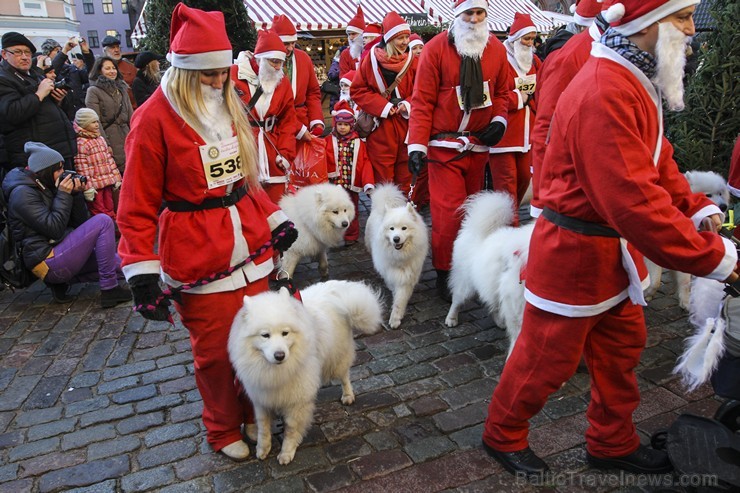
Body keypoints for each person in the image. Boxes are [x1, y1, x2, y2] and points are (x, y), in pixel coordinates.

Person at [482, 0, 739, 477]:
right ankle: (502, 434)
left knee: (621, 352)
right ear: (646, 24)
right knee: (545, 362)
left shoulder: (630, 75)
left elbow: (656, 158)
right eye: (682, 17)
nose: (691, 29)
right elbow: (634, 204)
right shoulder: (606, 89)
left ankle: (610, 441)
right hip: (575, 257)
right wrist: (718, 259)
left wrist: (695, 206)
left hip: (611, 254)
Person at [116, 3, 295, 461]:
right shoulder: (153, 119)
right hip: (197, 252)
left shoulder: (228, 103)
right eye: (209, 76)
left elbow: (243, 180)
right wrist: (139, 270)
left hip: (250, 245)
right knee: (215, 354)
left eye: (222, 73)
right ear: (183, 72)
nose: (220, 83)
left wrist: (274, 220)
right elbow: (135, 204)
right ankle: (220, 427)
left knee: (258, 339)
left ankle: (255, 410)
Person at [406, 0, 510, 300]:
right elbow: (422, 100)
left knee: (474, 214)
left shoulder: (497, 49)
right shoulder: (436, 49)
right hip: (444, 148)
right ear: (457, 15)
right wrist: (417, 145)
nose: (475, 19)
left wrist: (500, 121)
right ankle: (446, 272)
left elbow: (502, 92)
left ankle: (470, 267)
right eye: (469, 13)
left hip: (478, 146)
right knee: (448, 214)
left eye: (480, 13)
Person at [2, 141, 131, 306]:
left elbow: (80, 223)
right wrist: (63, 194)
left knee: (123, 266)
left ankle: (64, 281)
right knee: (103, 221)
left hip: (59, 249)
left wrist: (75, 195)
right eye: (59, 169)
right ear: (45, 171)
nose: (63, 173)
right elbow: (54, 228)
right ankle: (109, 289)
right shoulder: (22, 194)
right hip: (46, 259)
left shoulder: (45, 185)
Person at [529, 1, 610, 217]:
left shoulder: (614, 51)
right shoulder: (569, 57)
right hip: (574, 181)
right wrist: (541, 198)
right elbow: (546, 127)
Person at [352, 11, 417, 195]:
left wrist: (408, 104)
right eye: (400, 38)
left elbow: (422, 89)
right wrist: (384, 107)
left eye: (406, 37)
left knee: (405, 173)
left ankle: (403, 216)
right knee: (383, 175)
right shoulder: (370, 60)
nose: (405, 42)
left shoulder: (413, 61)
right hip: (381, 125)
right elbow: (357, 90)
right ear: (389, 39)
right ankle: (385, 215)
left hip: (405, 123)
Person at [231, 30, 298, 204]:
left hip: (272, 148)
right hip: (244, 148)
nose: (277, 67)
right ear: (259, 58)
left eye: (281, 63)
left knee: (277, 202)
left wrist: (285, 152)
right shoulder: (233, 75)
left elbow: (288, 121)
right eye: (274, 61)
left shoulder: (282, 81)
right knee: (244, 200)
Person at [0, 32, 77, 171]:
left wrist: (57, 100)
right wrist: (39, 94)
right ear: (4, 54)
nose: (24, 57)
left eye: (27, 53)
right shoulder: (4, 79)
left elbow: (45, 108)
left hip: (58, 151)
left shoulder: (34, 74)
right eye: (18, 52)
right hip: (37, 159)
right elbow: (12, 113)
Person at [488, 13, 541, 212]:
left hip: (528, 132)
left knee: (525, 179)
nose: (529, 43)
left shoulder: (535, 61)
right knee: (506, 183)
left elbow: (542, 87)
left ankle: (511, 216)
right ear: (515, 38)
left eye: (532, 38)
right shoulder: (500, 59)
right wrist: (521, 99)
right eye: (525, 38)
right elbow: (493, 93)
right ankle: (510, 223)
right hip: (505, 134)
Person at [325, 100, 374, 244]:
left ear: (351, 125)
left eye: (346, 125)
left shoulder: (358, 142)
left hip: (350, 184)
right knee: (333, 211)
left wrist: (368, 182)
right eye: (340, 124)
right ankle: (333, 236)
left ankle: (351, 236)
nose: (342, 127)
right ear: (335, 124)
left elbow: (364, 162)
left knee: (351, 210)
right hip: (334, 184)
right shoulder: (329, 140)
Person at [270, 15, 325, 141]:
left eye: (293, 43)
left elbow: (313, 92)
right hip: (277, 125)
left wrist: (316, 120)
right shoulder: (266, 64)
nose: (290, 48)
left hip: (302, 120)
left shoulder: (304, 58)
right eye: (286, 44)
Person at [86, 56, 133, 176]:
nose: (112, 71)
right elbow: (95, 121)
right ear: (99, 70)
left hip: (126, 135)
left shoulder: (122, 89)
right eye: (107, 68)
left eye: (114, 68)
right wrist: (105, 144)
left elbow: (131, 116)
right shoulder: (94, 91)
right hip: (110, 137)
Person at [73, 108, 122, 220]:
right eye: (93, 122)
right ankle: (107, 229)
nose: (96, 125)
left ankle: (113, 227)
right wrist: (87, 187)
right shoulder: (81, 143)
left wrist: (116, 178)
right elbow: (82, 167)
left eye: (97, 122)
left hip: (107, 182)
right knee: (98, 210)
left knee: (110, 206)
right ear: (84, 123)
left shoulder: (100, 139)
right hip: (94, 187)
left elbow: (109, 160)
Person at [101, 35, 137, 109]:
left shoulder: (129, 66)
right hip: (113, 111)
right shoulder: (100, 68)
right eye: (112, 47)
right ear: (105, 51)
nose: (116, 50)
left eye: (117, 47)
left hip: (133, 108)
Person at [339, 5, 365, 78]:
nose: (350, 37)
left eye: (354, 34)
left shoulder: (370, 52)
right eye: (349, 34)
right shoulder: (345, 54)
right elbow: (343, 76)